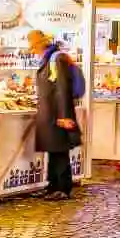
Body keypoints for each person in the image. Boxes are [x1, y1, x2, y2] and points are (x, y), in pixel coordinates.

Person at [34, 32, 83, 200]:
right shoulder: (50, 59)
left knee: (60, 151)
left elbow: (62, 87)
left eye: (33, 47)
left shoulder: (56, 59)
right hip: (51, 113)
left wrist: (64, 116)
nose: (33, 51)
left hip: (57, 113)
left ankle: (62, 188)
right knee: (53, 151)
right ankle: (52, 186)